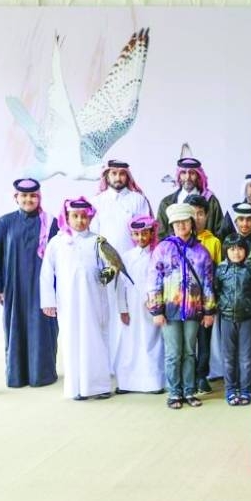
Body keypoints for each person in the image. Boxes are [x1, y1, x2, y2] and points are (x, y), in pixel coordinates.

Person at [40, 197, 123, 401]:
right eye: (75, 216)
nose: (80, 221)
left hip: (94, 301)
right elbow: (46, 273)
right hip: (68, 303)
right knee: (71, 340)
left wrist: (110, 272)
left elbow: (113, 264)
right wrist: (48, 301)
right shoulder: (57, 242)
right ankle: (76, 387)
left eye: (84, 217)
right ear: (66, 217)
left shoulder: (97, 241)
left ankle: (100, 386)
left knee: (97, 339)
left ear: (90, 217)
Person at [0, 178, 59, 388]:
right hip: (14, 288)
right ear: (16, 197)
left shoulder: (51, 222)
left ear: (39, 197)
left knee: (43, 329)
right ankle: (17, 375)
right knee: (15, 328)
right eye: (24, 196)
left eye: (33, 196)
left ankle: (42, 374)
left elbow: (59, 256)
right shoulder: (4, 223)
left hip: (43, 289)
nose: (29, 199)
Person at [147, 203, 216, 409]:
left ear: (192, 223)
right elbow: (153, 280)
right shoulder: (163, 248)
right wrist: (156, 309)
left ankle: (189, 390)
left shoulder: (202, 251)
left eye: (184, 221)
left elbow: (207, 282)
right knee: (173, 353)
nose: (180, 226)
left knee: (189, 352)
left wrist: (209, 310)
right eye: (176, 223)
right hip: (169, 310)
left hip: (194, 311)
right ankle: (174, 392)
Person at [91, 160, 152, 380]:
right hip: (106, 267)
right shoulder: (97, 201)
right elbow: (94, 236)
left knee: (131, 314)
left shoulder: (138, 200)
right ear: (106, 176)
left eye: (121, 174)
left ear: (127, 176)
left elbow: (146, 230)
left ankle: (132, 363)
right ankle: (108, 365)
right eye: (113, 174)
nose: (118, 178)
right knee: (108, 315)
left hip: (133, 267)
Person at [215, 233, 251, 406]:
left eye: (239, 249)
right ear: (226, 251)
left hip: (247, 319)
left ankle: (245, 389)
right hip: (226, 318)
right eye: (231, 249)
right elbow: (215, 291)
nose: (236, 253)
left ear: (245, 250)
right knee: (228, 357)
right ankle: (231, 389)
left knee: (246, 357)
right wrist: (221, 308)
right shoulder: (221, 269)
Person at [115, 215, 164, 394]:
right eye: (136, 234)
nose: (140, 238)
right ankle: (128, 383)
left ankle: (154, 383)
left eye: (144, 233)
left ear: (152, 233)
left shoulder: (158, 255)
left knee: (152, 342)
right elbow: (120, 285)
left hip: (152, 307)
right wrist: (123, 309)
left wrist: (159, 305)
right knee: (130, 344)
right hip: (132, 308)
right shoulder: (126, 257)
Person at [187, 193, 222, 395]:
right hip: (186, 301)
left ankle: (202, 375)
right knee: (188, 340)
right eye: (192, 214)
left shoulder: (214, 242)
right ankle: (188, 375)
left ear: (206, 216)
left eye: (200, 214)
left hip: (206, 301)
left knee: (204, 340)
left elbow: (216, 273)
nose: (197, 218)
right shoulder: (178, 241)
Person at [156, 157, 226, 240]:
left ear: (198, 176)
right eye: (183, 173)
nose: (187, 177)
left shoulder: (211, 201)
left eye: (192, 173)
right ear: (179, 176)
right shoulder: (166, 203)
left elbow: (220, 233)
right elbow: (160, 235)